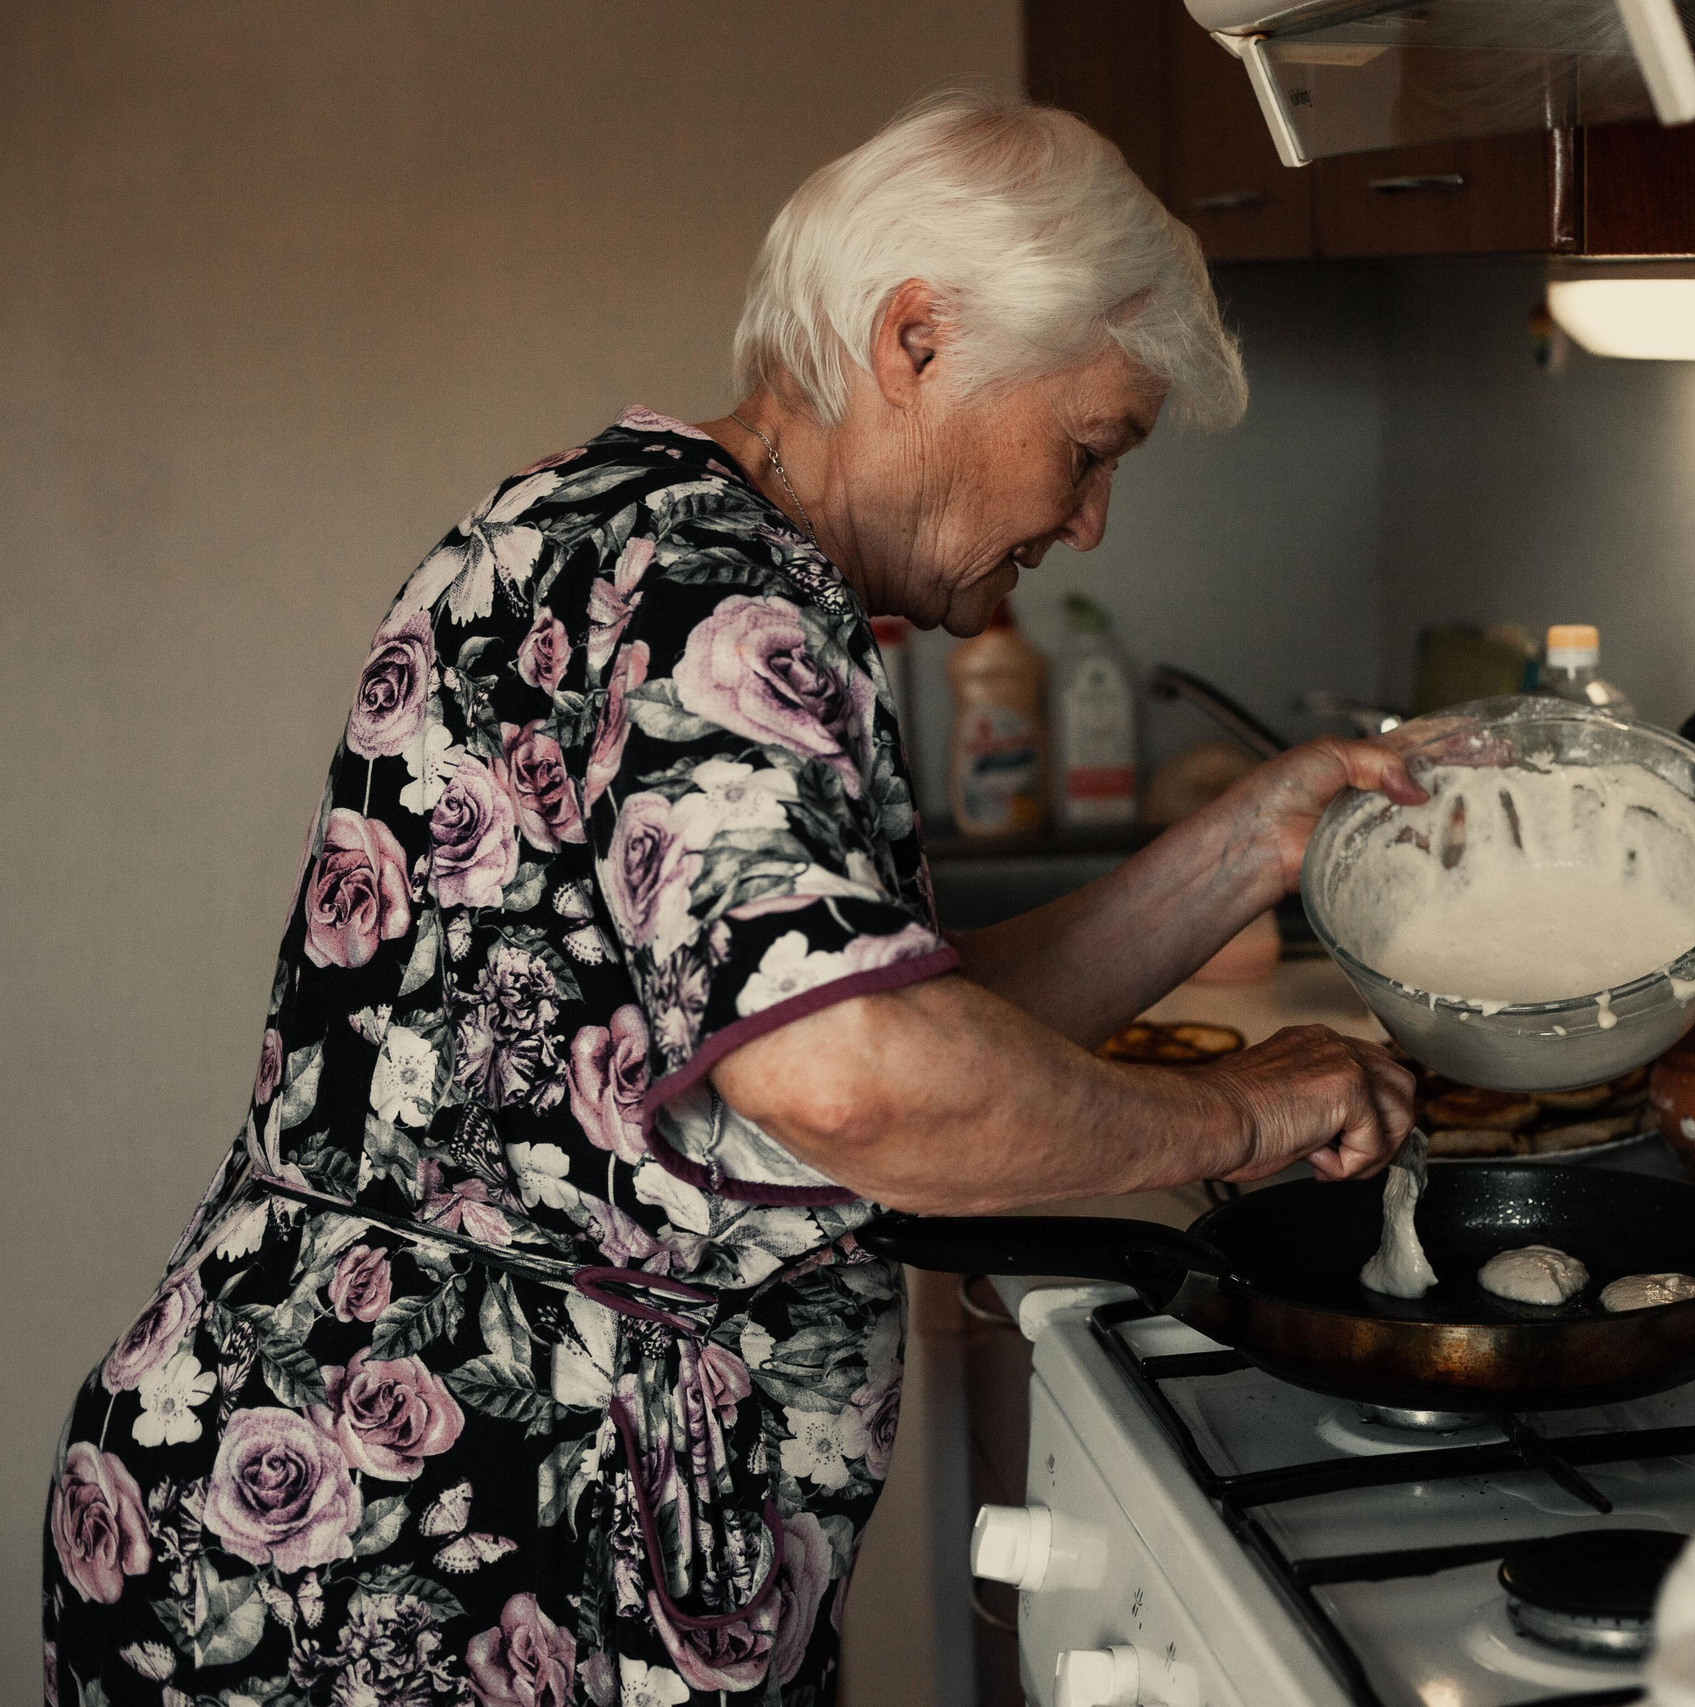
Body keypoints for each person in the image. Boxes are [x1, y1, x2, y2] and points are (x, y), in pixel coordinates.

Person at [41, 92, 1417, 1707]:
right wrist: (1237, 1121)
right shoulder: (722, 594)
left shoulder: (614, 519)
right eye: (1090, 445)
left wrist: (1257, 838)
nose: (1085, 517)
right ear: (917, 339)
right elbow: (849, 1080)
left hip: (302, 1501)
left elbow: (870, 1018)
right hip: (424, 1565)